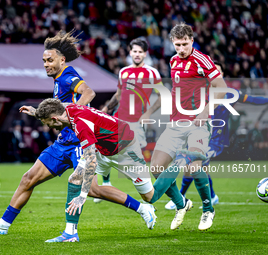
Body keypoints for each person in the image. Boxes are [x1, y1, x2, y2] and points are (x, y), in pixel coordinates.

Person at [0, 30, 155, 238]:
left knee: (92, 189)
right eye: (43, 61)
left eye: (49, 60)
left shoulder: (68, 76)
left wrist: (74, 115)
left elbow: (89, 93)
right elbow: (57, 111)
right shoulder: (58, 79)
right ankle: (3, 224)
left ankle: (142, 209)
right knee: (28, 178)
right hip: (63, 143)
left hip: (79, 141)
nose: (45, 64)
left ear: (61, 59)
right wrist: (38, 113)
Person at [35, 98, 194, 242]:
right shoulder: (66, 109)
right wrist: (35, 112)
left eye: (47, 123)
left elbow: (91, 162)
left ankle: (179, 163)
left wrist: (82, 196)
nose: (49, 127)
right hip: (102, 147)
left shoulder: (80, 125)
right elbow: (54, 105)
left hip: (125, 150)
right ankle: (70, 233)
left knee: (150, 197)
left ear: (55, 118)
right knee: (75, 179)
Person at [149, 22, 229, 231]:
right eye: (177, 45)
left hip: (198, 124)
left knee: (193, 167)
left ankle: (207, 209)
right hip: (176, 124)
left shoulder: (202, 60)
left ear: (192, 40)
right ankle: (181, 204)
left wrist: (205, 111)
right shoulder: (173, 60)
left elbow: (222, 88)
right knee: (156, 168)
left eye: (185, 44)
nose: (181, 49)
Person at [165, 61, 268, 210]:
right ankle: (212, 196)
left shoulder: (229, 94)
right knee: (200, 167)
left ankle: (180, 197)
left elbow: (252, 99)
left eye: (218, 72)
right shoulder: (200, 92)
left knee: (194, 162)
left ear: (222, 75)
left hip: (216, 140)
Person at [95, 38, 163, 203]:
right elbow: (118, 95)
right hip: (118, 118)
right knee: (102, 147)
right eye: (135, 51)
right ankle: (106, 182)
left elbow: (162, 96)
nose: (137, 54)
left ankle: (149, 191)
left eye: (140, 52)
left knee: (135, 157)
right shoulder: (123, 71)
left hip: (136, 122)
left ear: (145, 54)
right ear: (130, 52)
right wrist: (106, 109)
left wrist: (148, 114)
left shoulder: (152, 73)